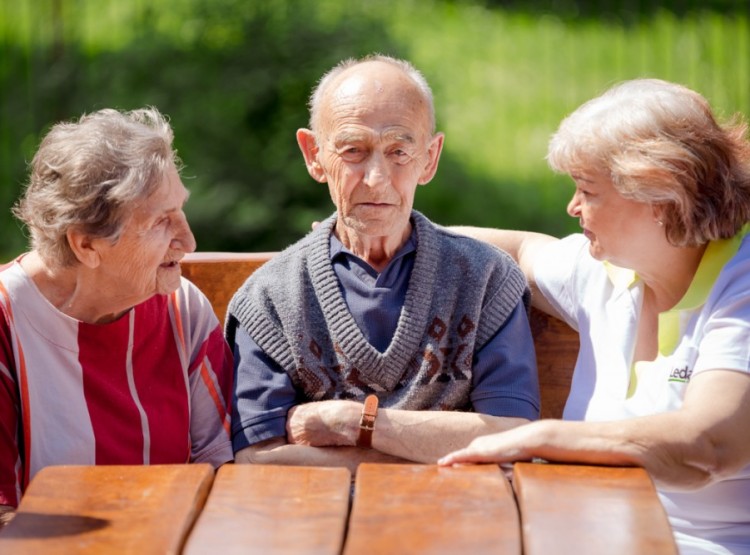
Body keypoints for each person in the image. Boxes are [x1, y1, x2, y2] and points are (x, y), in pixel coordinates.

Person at [439, 79, 750, 555]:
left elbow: (707, 445)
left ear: (658, 198)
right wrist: (398, 234)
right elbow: (521, 249)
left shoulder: (739, 285)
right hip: (586, 534)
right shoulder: (608, 271)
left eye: (588, 190)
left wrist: (540, 438)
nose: (572, 206)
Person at [226, 54, 540, 472]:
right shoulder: (270, 298)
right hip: (317, 526)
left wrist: (358, 424)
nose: (377, 178)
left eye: (398, 150)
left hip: (457, 521)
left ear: (429, 158)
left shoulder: (485, 280)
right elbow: (258, 458)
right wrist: (432, 445)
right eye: (354, 150)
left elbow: (511, 438)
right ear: (314, 155)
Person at [0, 108, 234, 524]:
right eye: (162, 221)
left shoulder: (183, 309)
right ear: (87, 244)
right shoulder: (7, 321)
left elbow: (224, 466)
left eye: (180, 210)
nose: (188, 240)